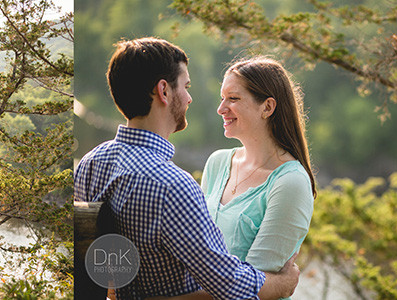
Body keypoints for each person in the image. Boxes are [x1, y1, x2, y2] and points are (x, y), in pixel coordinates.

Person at [73, 37, 299, 299]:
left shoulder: (90, 163)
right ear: (164, 91)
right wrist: (283, 284)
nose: (189, 97)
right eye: (185, 86)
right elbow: (229, 285)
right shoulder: (172, 186)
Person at [200, 57, 316, 299]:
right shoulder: (217, 163)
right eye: (222, 98)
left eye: (233, 99)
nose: (221, 108)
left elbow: (251, 288)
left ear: (267, 107)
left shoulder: (290, 183)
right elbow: (196, 254)